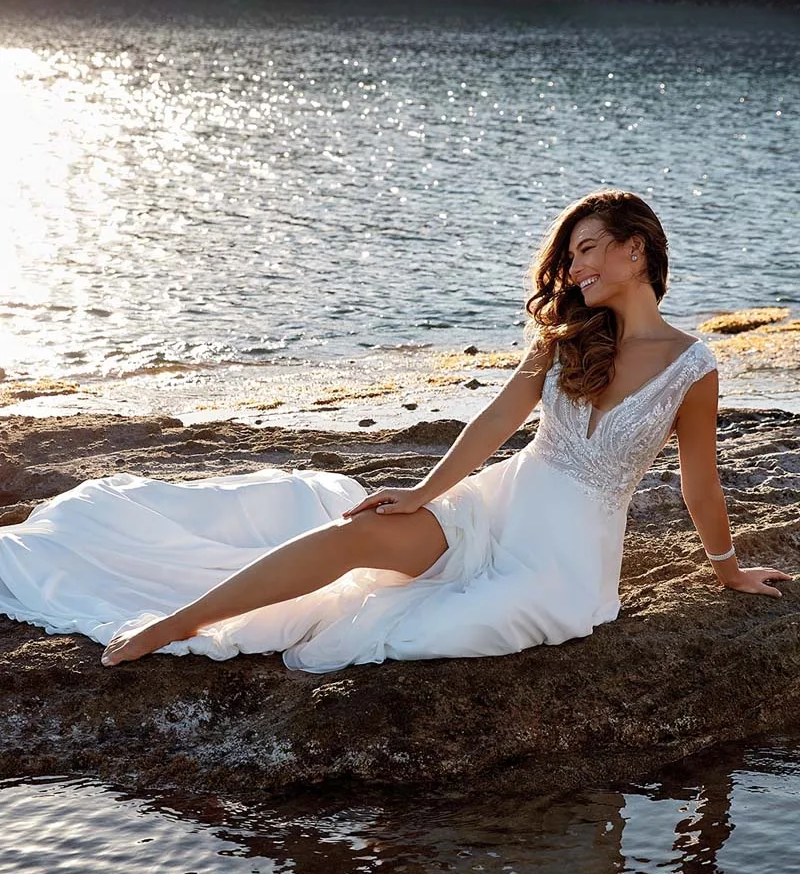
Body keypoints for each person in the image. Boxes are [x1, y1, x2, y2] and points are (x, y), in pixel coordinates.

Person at [0, 189, 792, 671]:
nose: (575, 269)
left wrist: (725, 571)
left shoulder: (693, 367)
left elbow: (700, 478)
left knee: (451, 626)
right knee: (364, 529)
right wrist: (424, 490)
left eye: (588, 251)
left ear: (636, 248)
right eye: (570, 255)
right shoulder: (565, 340)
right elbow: (496, 422)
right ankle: (178, 621)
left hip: (566, 556)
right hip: (495, 506)